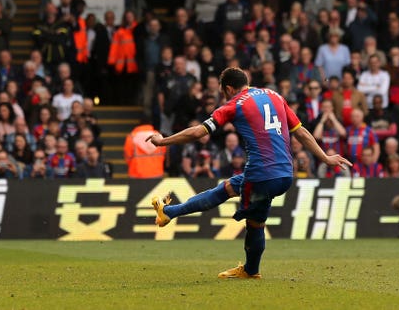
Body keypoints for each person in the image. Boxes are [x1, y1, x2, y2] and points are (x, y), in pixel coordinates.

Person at [147, 67, 351, 279]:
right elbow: (301, 131)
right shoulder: (275, 96)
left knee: (226, 193)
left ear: (228, 88)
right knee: (253, 219)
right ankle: (251, 270)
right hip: (284, 174)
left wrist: (163, 141)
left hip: (260, 174)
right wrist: (326, 158)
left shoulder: (234, 104)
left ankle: (170, 213)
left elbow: (198, 132)